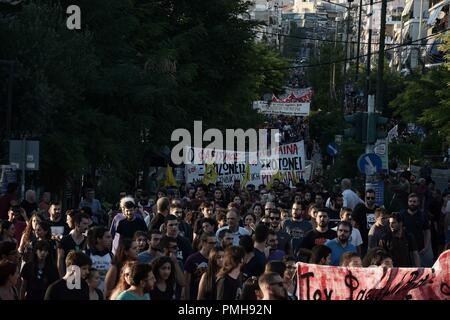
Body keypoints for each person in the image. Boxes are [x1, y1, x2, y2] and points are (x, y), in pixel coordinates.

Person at [401, 193, 433, 267]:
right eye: (410, 201)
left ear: (418, 203)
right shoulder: (402, 215)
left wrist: (426, 246)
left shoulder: (422, 215)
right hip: (406, 247)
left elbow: (427, 231)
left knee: (419, 269)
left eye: (414, 202)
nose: (412, 203)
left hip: (420, 247)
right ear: (408, 202)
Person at [183, 232, 216, 300]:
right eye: (211, 243)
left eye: (215, 243)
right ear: (203, 243)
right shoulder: (192, 259)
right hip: (194, 295)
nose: (214, 245)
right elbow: (186, 283)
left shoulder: (217, 259)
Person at [57, 212, 90, 277]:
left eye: (87, 224)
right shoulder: (65, 240)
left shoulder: (88, 241)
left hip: (82, 278)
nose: (86, 227)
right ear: (77, 224)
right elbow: (60, 260)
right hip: (69, 276)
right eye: (84, 224)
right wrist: (63, 278)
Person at [85, 226, 113, 292]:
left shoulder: (111, 255)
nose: (111, 240)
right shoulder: (87, 254)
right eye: (107, 237)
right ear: (99, 239)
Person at [352, 189, 379, 255]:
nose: (370, 199)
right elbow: (354, 225)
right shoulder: (359, 209)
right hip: (362, 242)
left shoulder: (378, 210)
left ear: (375, 198)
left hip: (375, 242)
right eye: (368, 198)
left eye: (372, 198)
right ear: (365, 198)